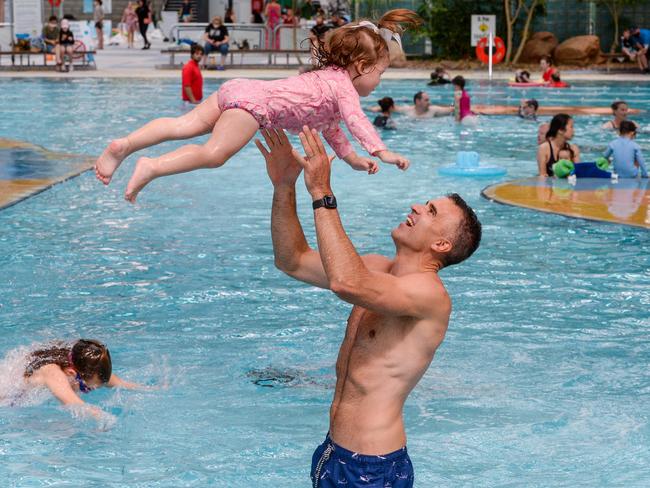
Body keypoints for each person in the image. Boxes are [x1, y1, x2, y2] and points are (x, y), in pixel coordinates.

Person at [256, 126, 481, 488]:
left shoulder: (430, 297)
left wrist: (322, 190)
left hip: (373, 468)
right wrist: (284, 187)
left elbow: (346, 283)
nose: (416, 207)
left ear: (441, 244)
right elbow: (292, 260)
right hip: (332, 452)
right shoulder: (376, 268)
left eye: (431, 210)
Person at [94, 9, 419, 203]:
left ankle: (123, 146)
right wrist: (381, 152)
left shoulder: (328, 80)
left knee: (183, 125)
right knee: (213, 155)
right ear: (362, 66)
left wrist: (352, 160)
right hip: (253, 108)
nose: (379, 82)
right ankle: (152, 166)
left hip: (240, 89)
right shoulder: (342, 86)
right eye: (381, 73)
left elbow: (334, 129)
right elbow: (356, 120)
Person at [20, 339, 139, 417]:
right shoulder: (53, 374)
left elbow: (119, 383)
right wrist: (106, 418)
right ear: (72, 373)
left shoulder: (82, 365)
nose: (86, 392)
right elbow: (74, 403)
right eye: (86, 388)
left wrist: (153, 389)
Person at [370, 91, 451, 118]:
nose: (429, 102)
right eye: (426, 100)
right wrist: (375, 109)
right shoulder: (407, 110)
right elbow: (389, 108)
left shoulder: (434, 110)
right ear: (418, 101)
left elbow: (451, 110)